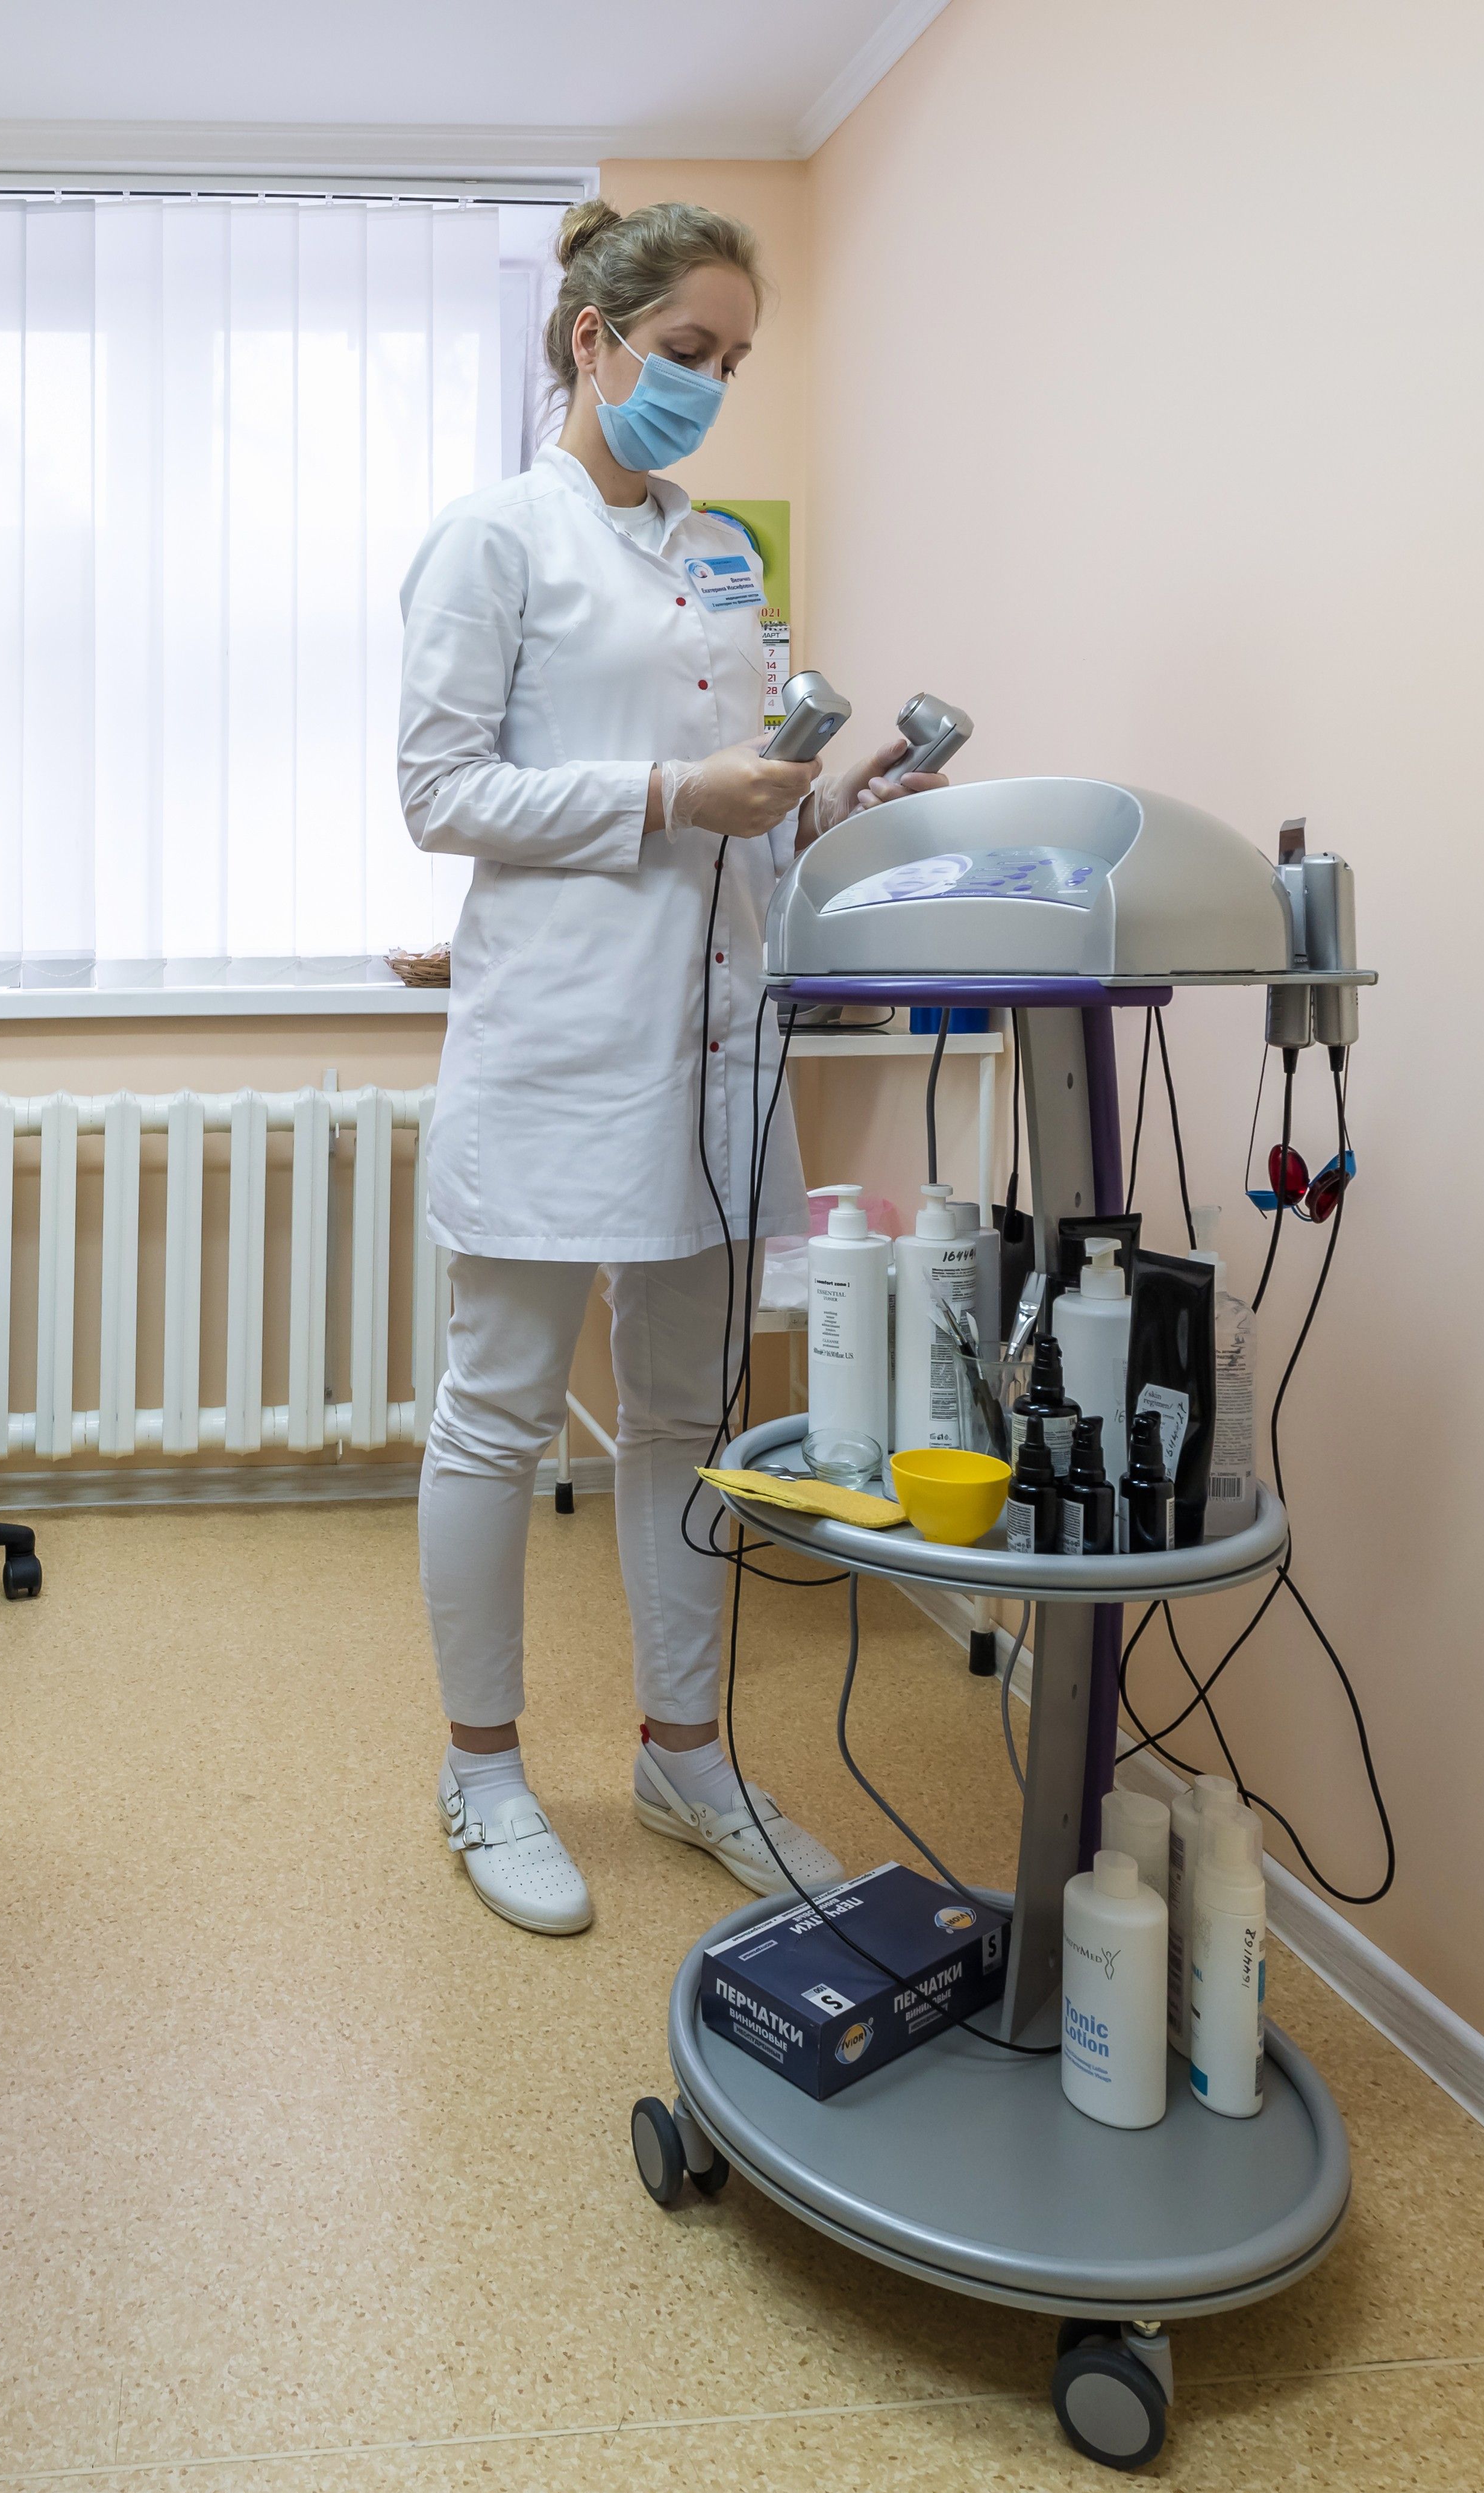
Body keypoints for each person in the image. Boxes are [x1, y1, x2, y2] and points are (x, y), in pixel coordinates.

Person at [393, 198, 942, 1936]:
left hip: (714, 1051)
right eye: (686, 351)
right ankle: (485, 1771)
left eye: (732, 361)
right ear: (595, 339)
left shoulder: (719, 559)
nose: (708, 384)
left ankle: (685, 1756)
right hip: (561, 1048)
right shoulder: (495, 540)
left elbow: (736, 813)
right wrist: (666, 795)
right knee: (497, 1416)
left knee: (687, 1418)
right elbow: (439, 794)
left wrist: (828, 810)